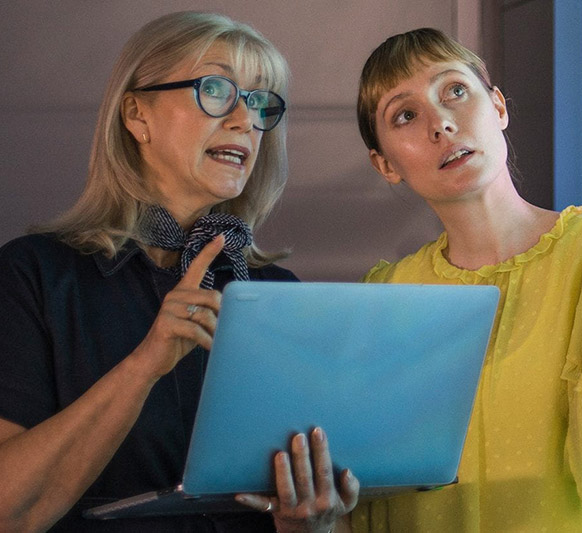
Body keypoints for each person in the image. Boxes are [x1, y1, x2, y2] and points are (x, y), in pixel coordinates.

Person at [0, 11, 358, 532]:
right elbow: (10, 513)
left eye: (259, 101)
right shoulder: (32, 276)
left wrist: (315, 524)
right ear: (136, 115)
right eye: (216, 89)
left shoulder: (281, 299)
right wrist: (145, 363)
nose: (245, 120)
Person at [350, 28, 582, 532]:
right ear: (385, 165)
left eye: (455, 91)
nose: (440, 123)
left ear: (498, 108)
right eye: (405, 115)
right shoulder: (387, 295)